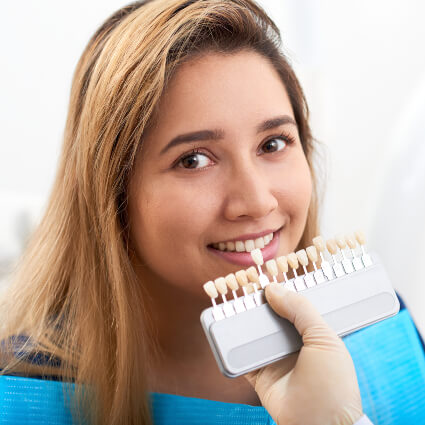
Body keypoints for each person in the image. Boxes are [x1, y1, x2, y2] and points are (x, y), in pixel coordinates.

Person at [0, 0, 373, 424]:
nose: (256, 202)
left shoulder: (386, 340)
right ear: (112, 194)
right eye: (194, 159)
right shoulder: (18, 398)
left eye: (273, 144)